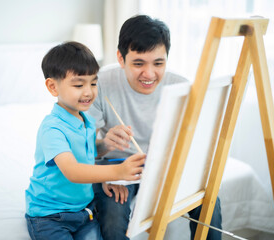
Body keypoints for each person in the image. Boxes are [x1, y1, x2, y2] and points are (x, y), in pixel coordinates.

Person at [88, 15, 222, 240]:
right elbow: (82, 148)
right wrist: (104, 145)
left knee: (209, 199)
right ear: (121, 58)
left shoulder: (180, 86)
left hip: (163, 166)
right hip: (117, 167)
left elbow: (196, 145)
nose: (149, 74)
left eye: (158, 63)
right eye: (139, 63)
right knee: (112, 216)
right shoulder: (100, 82)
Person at [25, 41, 146, 240]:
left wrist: (106, 144)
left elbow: (87, 153)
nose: (89, 92)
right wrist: (118, 172)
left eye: (93, 83)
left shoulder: (86, 120)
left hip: (84, 212)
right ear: (52, 86)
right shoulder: (52, 129)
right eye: (79, 85)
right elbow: (72, 170)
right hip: (50, 216)